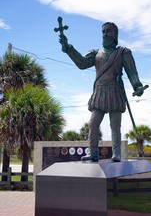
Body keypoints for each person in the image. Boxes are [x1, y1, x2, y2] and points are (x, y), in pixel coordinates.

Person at [59, 21, 146, 162]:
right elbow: (82, 63)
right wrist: (68, 48)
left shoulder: (123, 52)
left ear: (115, 35)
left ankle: (116, 153)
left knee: (115, 125)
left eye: (108, 31)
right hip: (99, 92)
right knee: (93, 124)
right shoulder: (96, 53)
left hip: (115, 91)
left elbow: (132, 73)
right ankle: (93, 153)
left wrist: (137, 86)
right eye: (103, 31)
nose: (105, 34)